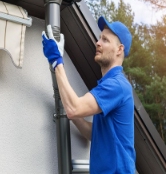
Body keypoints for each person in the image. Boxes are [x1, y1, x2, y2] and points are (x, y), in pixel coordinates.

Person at [42, 16, 136, 174]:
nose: (98, 43)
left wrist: (56, 60)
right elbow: (92, 132)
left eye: (105, 40)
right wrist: (67, 105)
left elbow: (74, 108)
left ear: (119, 49)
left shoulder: (116, 85)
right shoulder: (108, 85)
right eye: (99, 38)